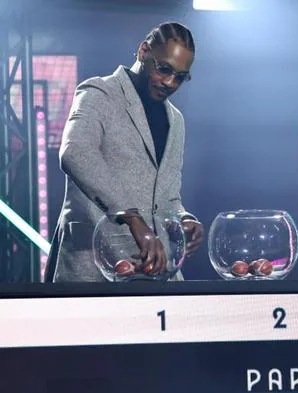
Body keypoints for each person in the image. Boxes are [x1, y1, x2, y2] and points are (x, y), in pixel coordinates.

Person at [45, 22, 204, 282]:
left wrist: (183, 219)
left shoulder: (176, 120)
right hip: (93, 271)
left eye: (180, 76)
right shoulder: (98, 93)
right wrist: (131, 217)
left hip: (155, 274)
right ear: (143, 52)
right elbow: (74, 152)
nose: (169, 82)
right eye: (164, 69)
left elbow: (167, 196)